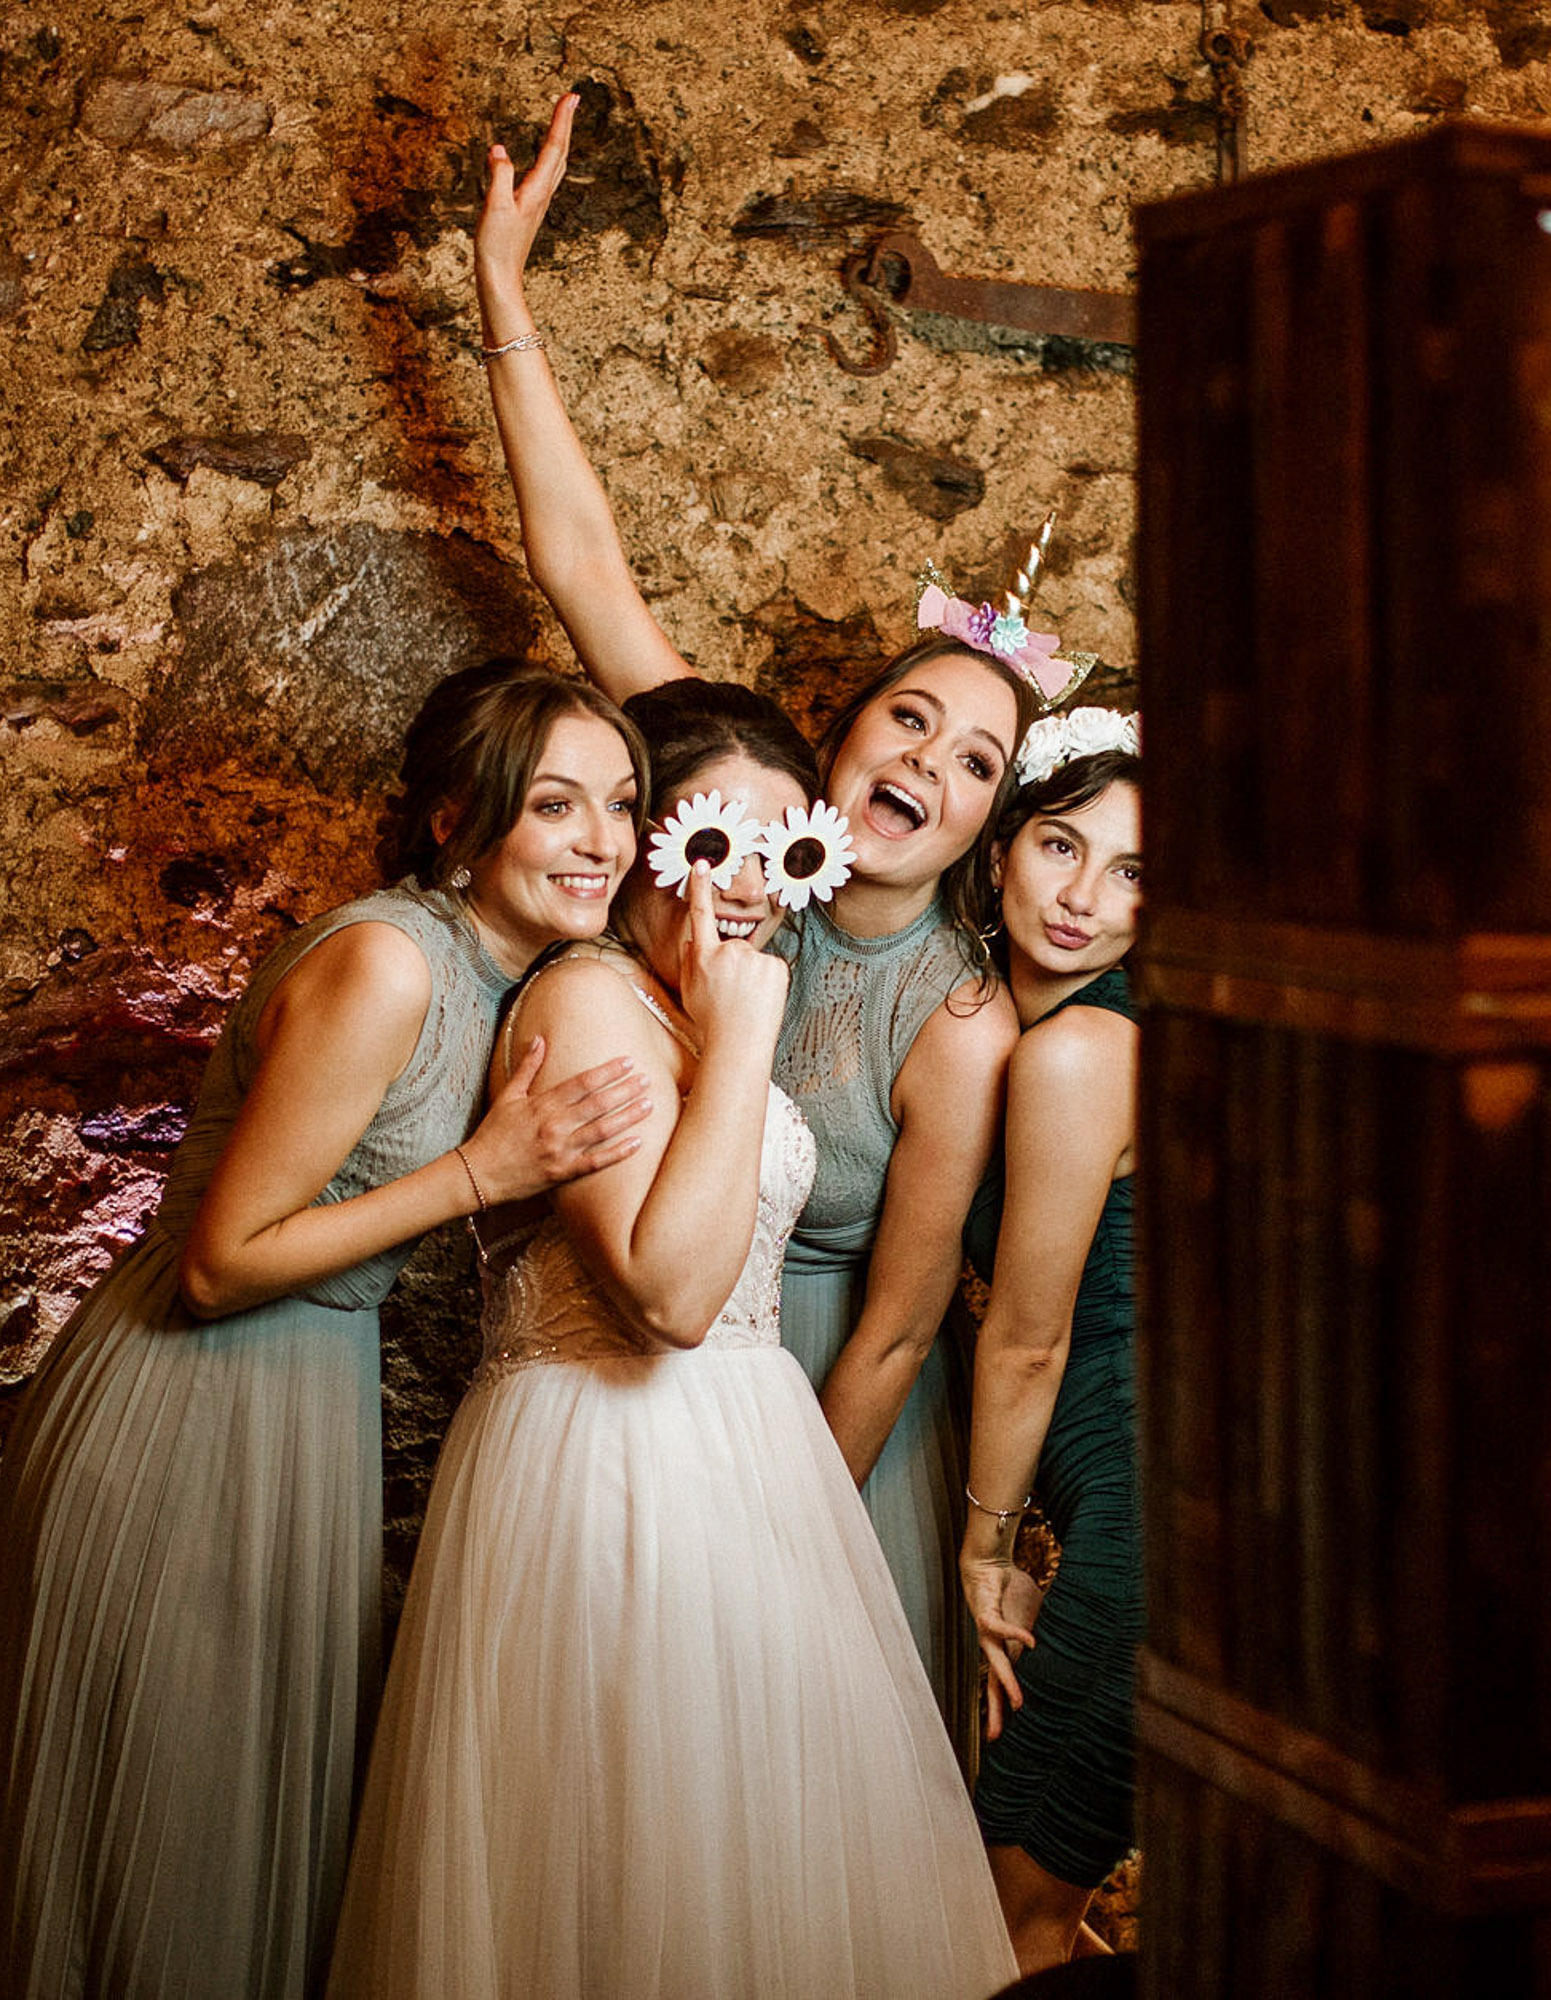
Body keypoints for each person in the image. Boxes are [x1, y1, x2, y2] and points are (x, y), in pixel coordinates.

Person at [473, 93, 1085, 1764]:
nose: (929, 764)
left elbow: (896, 1320)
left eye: (977, 761)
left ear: (982, 820)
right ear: (843, 735)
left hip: (826, 1431)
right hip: (629, 1384)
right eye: (909, 719)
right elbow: (582, 565)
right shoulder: (715, 838)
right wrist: (506, 309)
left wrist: (782, 1526)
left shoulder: (964, 1024)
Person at [327, 679, 1019, 1999]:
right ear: (651, 840)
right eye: (711, 841)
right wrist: (749, 1033)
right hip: (608, 1458)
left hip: (751, 1463)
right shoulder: (589, 1001)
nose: (745, 879)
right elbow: (670, 1298)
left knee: (759, 1857)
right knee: (627, 1860)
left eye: (773, 845)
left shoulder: (682, 1001)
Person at [0, 658, 655, 2000]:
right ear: (457, 819)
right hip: (190, 1409)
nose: (600, 841)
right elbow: (220, 1265)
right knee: (157, 1852)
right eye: (555, 804)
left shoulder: (516, 976)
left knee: (228, 1852)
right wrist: (485, 1171)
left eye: (623, 805)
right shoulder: (389, 966)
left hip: (300, 1408)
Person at [957, 709, 1143, 1974]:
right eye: (1060, 845)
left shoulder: (1083, 1049)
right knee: (1038, 1919)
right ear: (1001, 844)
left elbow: (1027, 1341)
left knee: (998, 1919)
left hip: (1149, 1542)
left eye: (1133, 871)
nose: (1082, 897)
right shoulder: (1039, 1027)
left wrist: (983, 1548)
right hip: (1158, 1520)